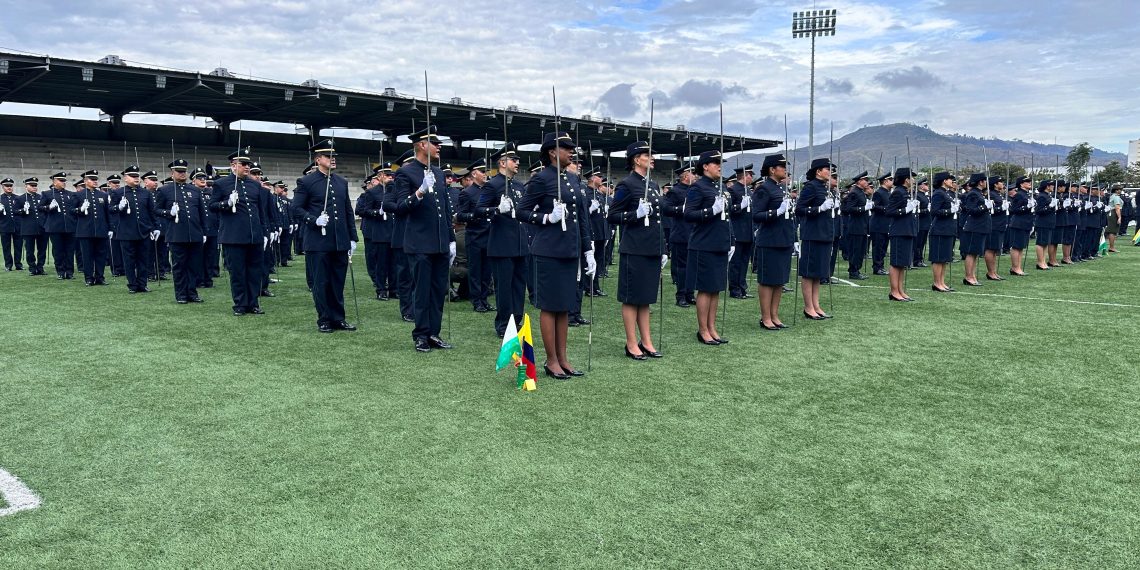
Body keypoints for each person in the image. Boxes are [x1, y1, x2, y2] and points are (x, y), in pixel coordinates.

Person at [517, 131, 594, 377]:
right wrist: (547, 218)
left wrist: (587, 248)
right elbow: (522, 211)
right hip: (549, 250)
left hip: (569, 250)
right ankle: (551, 361)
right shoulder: (542, 179)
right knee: (550, 307)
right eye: (566, 148)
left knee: (564, 306)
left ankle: (563, 358)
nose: (572, 152)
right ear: (552, 151)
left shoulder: (571, 180)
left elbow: (581, 218)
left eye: (572, 148)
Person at [392, 126, 457, 352]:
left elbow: (446, 211)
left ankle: (434, 333)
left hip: (439, 242)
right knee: (421, 290)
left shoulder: (438, 173)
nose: (439, 147)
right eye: (434, 143)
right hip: (419, 243)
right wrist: (419, 192)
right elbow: (400, 207)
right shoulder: (405, 172)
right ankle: (420, 334)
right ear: (421, 145)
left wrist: (451, 239)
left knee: (439, 289)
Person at [294, 139, 359, 332]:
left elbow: (347, 211)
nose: (333, 159)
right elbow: (296, 208)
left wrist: (352, 237)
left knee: (337, 281)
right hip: (318, 240)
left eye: (334, 156)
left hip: (339, 240)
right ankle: (324, 318)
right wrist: (313, 220)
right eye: (328, 156)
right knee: (321, 282)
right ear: (317, 159)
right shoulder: (306, 181)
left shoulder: (341, 181)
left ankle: (338, 318)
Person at [607, 141, 665, 360]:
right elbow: (612, 215)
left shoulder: (653, 185)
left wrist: (663, 248)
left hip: (651, 247)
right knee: (632, 297)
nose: (652, 158)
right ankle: (631, 342)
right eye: (647, 155)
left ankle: (647, 341)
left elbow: (658, 220)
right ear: (635, 159)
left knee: (646, 297)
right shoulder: (627, 184)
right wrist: (635, 215)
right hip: (635, 248)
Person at [210, 148, 274, 315]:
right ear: (233, 165)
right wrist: (227, 203)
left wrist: (265, 233)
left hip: (254, 236)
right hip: (234, 237)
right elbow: (212, 206)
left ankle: (253, 303)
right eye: (244, 164)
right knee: (237, 272)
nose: (247, 167)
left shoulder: (255, 185)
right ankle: (240, 303)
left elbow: (261, 212)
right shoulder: (221, 184)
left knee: (254, 271)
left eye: (249, 164)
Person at [477, 143, 528, 338]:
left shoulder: (518, 185)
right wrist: (496, 210)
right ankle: (504, 324)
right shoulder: (493, 185)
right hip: (502, 244)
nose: (517, 162)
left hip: (520, 243)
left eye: (517, 160)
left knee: (518, 286)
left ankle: (517, 321)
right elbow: (479, 210)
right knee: (504, 287)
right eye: (513, 160)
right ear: (502, 162)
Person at [684, 150, 733, 343]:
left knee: (716, 288)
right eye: (715, 163)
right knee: (705, 289)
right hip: (704, 244)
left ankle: (712, 327)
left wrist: (731, 241)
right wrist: (710, 211)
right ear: (705, 166)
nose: (720, 166)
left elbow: (727, 218)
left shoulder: (719, 186)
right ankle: (703, 329)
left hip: (719, 242)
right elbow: (689, 214)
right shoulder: (698, 187)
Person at [154, 159, 207, 303]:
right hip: (177, 234)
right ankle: (181, 294)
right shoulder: (165, 190)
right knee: (179, 266)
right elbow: (156, 210)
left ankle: (192, 292)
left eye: (184, 171)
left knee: (194, 265)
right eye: (179, 171)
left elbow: (202, 212)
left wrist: (204, 232)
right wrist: (169, 213)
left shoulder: (195, 190)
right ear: (172, 173)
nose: (182, 174)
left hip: (195, 233)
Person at [751, 153, 793, 330]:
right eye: (782, 166)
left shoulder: (781, 188)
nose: (785, 169)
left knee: (779, 280)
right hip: (769, 240)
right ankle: (765, 317)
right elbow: (756, 215)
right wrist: (776, 211)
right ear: (772, 169)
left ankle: (775, 315)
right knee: (768, 280)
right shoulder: (764, 189)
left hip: (783, 238)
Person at [796, 158, 837, 319]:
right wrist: (819, 208)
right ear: (818, 171)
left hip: (825, 233)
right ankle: (808, 307)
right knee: (809, 272)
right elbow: (800, 209)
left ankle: (816, 305)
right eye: (827, 169)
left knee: (819, 272)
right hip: (813, 234)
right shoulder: (811, 187)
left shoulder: (825, 188)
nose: (830, 171)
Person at [110, 166, 159, 293]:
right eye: (133, 176)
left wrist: (156, 227)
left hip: (143, 231)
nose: (136, 178)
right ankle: (132, 284)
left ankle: (142, 284)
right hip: (126, 232)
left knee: (143, 259)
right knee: (129, 260)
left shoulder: (145, 193)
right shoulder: (118, 192)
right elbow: (110, 210)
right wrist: (118, 207)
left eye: (137, 176)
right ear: (126, 178)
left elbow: (151, 212)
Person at [455, 158, 494, 312]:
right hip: (475, 235)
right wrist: (476, 215)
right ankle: (476, 300)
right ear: (474, 173)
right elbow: (461, 215)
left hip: (489, 235)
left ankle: (484, 299)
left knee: (486, 272)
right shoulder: (467, 193)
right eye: (482, 171)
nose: (485, 174)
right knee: (475, 271)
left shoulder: (489, 190)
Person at [356, 164, 393, 301]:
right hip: (380, 232)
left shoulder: (394, 190)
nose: (390, 177)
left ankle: (394, 289)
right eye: (387, 175)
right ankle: (381, 289)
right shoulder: (372, 192)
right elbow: (365, 211)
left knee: (394, 263)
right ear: (379, 176)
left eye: (391, 175)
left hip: (393, 230)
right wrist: (378, 212)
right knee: (381, 263)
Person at [662, 164, 695, 306]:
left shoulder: (695, 190)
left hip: (694, 234)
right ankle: (681, 295)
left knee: (692, 267)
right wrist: (680, 209)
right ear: (686, 176)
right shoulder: (675, 191)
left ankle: (690, 293)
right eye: (693, 173)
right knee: (682, 268)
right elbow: (666, 209)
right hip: (681, 234)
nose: (695, 176)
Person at [72, 170, 110, 286]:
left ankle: (100, 277)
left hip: (101, 230)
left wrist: (110, 228)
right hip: (85, 231)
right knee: (87, 256)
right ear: (85, 181)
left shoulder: (103, 195)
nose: (95, 181)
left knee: (101, 255)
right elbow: (71, 211)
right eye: (92, 179)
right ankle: (88, 277)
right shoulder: (78, 195)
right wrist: (80, 209)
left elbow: (107, 213)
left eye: (96, 179)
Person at [885, 168, 919, 301]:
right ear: (906, 179)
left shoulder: (905, 192)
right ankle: (894, 291)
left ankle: (900, 290)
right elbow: (889, 211)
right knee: (896, 262)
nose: (914, 180)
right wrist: (906, 209)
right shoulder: (898, 192)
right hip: (899, 231)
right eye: (912, 178)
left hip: (906, 230)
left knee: (903, 263)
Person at [41, 171, 77, 279]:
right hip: (55, 227)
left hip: (70, 226)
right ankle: (60, 271)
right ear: (54, 181)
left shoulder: (70, 194)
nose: (63, 182)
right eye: (61, 180)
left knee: (70, 250)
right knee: (58, 250)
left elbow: (73, 210)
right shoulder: (47, 194)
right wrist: (48, 207)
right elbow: (40, 208)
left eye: (64, 180)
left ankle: (69, 272)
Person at [928, 171, 959, 292]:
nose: (952, 181)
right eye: (949, 179)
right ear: (944, 181)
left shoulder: (946, 193)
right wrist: (950, 210)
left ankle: (942, 282)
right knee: (938, 257)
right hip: (939, 229)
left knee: (945, 258)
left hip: (948, 228)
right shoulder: (938, 194)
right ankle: (937, 283)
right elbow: (935, 211)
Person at [727, 164, 754, 299]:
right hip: (738, 231)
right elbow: (729, 210)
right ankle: (734, 289)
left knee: (744, 262)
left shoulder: (749, 191)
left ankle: (742, 287)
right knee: (736, 262)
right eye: (750, 174)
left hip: (748, 232)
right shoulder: (733, 190)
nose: (752, 177)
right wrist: (740, 206)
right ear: (744, 176)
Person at [840, 171, 873, 279]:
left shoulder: (861, 192)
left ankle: (857, 270)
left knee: (860, 250)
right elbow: (849, 208)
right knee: (856, 250)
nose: (867, 182)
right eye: (865, 180)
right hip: (855, 226)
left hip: (862, 225)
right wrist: (863, 208)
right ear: (860, 181)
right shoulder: (854, 192)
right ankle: (853, 271)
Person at [193, 168, 219, 288]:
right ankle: (199, 280)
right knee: (198, 256)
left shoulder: (211, 191)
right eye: (200, 178)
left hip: (212, 228)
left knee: (210, 256)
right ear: (193, 180)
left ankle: (208, 279)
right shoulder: (192, 192)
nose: (203, 180)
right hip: (198, 229)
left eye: (204, 177)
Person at [16, 177, 47, 275]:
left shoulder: (41, 197)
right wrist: (23, 210)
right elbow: (14, 211)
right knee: (30, 250)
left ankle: (40, 267)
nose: (34, 187)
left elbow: (44, 210)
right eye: (32, 185)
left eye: (35, 185)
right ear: (26, 186)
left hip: (41, 227)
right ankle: (32, 268)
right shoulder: (20, 198)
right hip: (28, 228)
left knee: (42, 249)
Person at [1006, 175, 1033, 276]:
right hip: (1018, 223)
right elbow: (1013, 209)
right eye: (1027, 182)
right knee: (1016, 246)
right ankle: (1015, 268)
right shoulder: (1019, 195)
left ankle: (1018, 267)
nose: (1029, 183)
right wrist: (1026, 207)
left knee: (1021, 246)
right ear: (1021, 184)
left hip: (1025, 222)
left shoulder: (1026, 194)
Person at [983, 175, 1008, 280]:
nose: (1002, 184)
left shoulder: (998, 194)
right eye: (1000, 182)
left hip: (1000, 224)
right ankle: (990, 272)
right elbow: (990, 210)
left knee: (995, 250)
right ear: (995, 184)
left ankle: (994, 271)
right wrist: (1001, 208)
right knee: (990, 249)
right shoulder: (991, 194)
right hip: (994, 224)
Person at [869, 173, 892, 275]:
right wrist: (885, 209)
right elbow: (874, 207)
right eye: (890, 180)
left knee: (883, 247)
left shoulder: (888, 193)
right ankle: (877, 267)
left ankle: (881, 266)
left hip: (886, 224)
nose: (892, 182)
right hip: (878, 224)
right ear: (885, 181)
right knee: (878, 247)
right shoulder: (878, 193)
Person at [1033, 180, 1057, 270]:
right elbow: (1039, 210)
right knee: (1041, 243)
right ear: (1047, 186)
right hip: (1043, 222)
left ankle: (1043, 261)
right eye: (1052, 185)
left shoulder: (1048, 195)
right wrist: (1049, 207)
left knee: (1046, 243)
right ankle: (1040, 262)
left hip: (1049, 222)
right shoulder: (1042, 196)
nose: (1053, 186)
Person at [0, 177, 23, 271]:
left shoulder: (18, 198)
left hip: (17, 226)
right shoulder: (0, 198)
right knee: (6, 247)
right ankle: (8, 265)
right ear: (2, 187)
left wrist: (24, 209)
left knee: (19, 246)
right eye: (7, 186)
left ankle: (18, 264)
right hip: (4, 226)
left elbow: (23, 212)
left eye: (10, 186)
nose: (9, 187)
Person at [913, 176, 931, 268]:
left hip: (926, 223)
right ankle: (917, 260)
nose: (928, 186)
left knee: (922, 242)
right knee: (918, 243)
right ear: (921, 186)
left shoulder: (924, 195)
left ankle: (920, 259)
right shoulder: (917, 195)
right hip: (920, 222)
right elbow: (917, 210)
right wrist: (926, 210)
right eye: (926, 184)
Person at [1106, 185, 1123, 252]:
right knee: (1112, 231)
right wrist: (1119, 217)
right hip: (1114, 213)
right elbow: (1117, 208)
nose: (1121, 191)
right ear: (1116, 190)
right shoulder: (1116, 197)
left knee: (1112, 231)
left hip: (1112, 213)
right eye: (1120, 189)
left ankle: (1111, 246)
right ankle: (1111, 247)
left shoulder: (1113, 196)